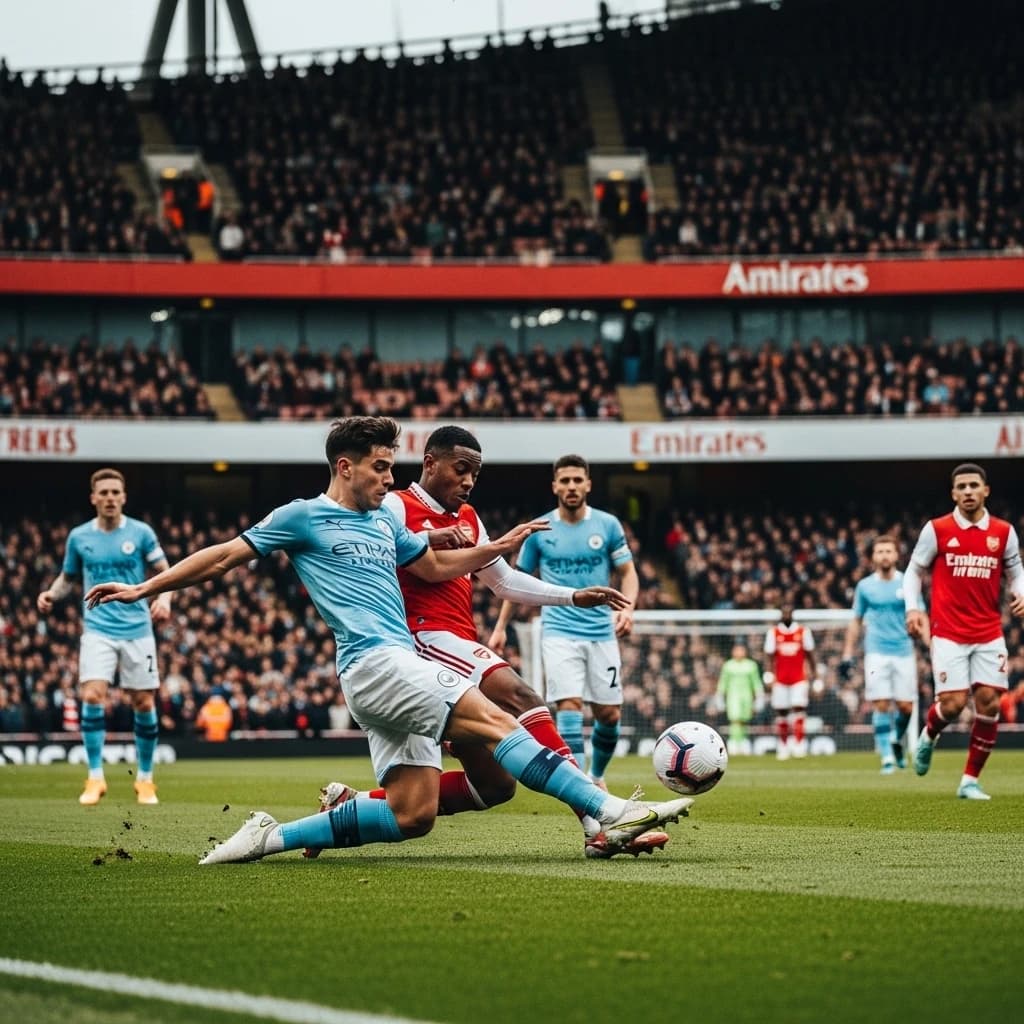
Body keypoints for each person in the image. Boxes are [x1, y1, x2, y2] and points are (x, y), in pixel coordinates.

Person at [86, 417, 693, 864]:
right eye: (381, 465)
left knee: (413, 814)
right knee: (497, 717)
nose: (390, 477)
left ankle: (268, 838)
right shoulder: (301, 516)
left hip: (389, 669)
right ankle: (608, 811)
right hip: (379, 663)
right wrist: (145, 589)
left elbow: (431, 567)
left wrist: (496, 549)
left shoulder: (382, 521)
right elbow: (222, 557)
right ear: (345, 466)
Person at [311, 424, 665, 859]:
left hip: (457, 639)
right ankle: (597, 819)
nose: (468, 481)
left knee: (495, 787)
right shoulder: (397, 507)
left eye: (474, 475)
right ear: (430, 463)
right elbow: (422, 563)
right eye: (460, 470)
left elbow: (503, 582)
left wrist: (572, 596)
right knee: (522, 695)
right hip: (420, 637)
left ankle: (354, 806)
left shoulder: (469, 517)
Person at [489, 454, 639, 791]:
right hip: (558, 631)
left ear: (588, 484)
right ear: (555, 485)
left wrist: (627, 609)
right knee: (569, 704)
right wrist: (500, 629)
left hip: (601, 631)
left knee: (609, 716)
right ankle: (582, 786)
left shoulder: (608, 525)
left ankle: (597, 776)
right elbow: (516, 581)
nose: (571, 486)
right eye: (565, 481)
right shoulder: (540, 530)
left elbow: (628, 573)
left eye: (577, 480)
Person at [37, 468, 171, 805]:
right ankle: (95, 777)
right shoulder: (79, 537)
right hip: (97, 629)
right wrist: (51, 594)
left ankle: (145, 779)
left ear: (123, 497)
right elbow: (68, 578)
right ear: (93, 497)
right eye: (104, 493)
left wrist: (165, 597)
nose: (110, 498)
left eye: (115, 492)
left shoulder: (140, 533)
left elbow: (165, 572)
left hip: (138, 630)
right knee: (92, 695)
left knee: (142, 701)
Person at [903, 462, 1024, 800]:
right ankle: (929, 735)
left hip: (988, 632)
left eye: (974, 485)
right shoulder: (937, 529)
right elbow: (913, 571)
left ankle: (969, 780)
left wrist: (1021, 593)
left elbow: (1016, 572)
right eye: (962, 487)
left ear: (986, 490)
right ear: (953, 493)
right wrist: (913, 607)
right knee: (954, 704)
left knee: (989, 704)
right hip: (948, 632)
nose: (968, 491)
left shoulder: (1003, 532)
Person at [840, 535, 925, 774]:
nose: (885, 555)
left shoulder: (908, 583)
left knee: (906, 707)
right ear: (873, 557)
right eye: (880, 551)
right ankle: (886, 756)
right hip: (876, 651)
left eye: (889, 551)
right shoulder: (865, 586)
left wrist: (931, 645)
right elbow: (856, 621)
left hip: (904, 650)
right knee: (881, 704)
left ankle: (897, 740)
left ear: (897, 555)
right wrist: (847, 653)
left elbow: (920, 615)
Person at [763, 602, 819, 760]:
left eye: (789, 612)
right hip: (780, 679)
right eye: (784, 612)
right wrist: (768, 673)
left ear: (793, 614)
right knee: (781, 712)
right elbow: (769, 656)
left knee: (798, 709)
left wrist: (816, 676)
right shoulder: (773, 633)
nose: (786, 615)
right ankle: (783, 745)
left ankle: (799, 743)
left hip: (799, 678)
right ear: (781, 614)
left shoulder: (803, 631)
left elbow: (811, 655)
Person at [715, 642, 764, 756]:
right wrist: (720, 696)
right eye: (737, 650)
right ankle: (734, 743)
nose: (739, 652)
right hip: (733, 697)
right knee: (735, 720)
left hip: (746, 697)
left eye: (741, 650)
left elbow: (756, 682)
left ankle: (743, 742)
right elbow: (723, 682)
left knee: (744, 720)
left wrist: (759, 696)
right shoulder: (728, 665)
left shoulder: (751, 665)